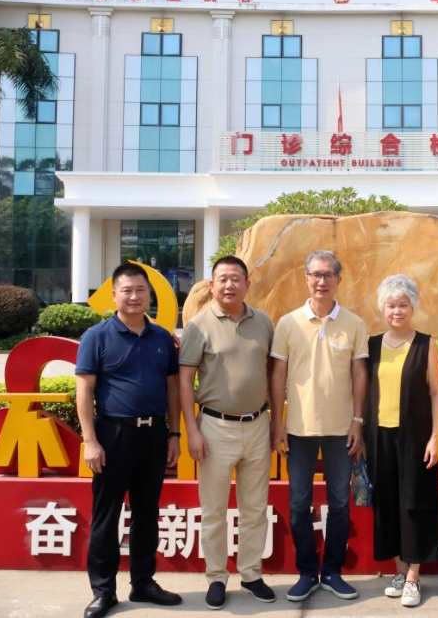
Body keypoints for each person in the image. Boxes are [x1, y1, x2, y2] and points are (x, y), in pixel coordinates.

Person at [74, 262, 183, 618]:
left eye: (140, 290)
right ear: (114, 295)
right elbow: (84, 390)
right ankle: (103, 591)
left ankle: (143, 583)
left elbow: (172, 388)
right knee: (107, 516)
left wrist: (174, 433)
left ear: (149, 294)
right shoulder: (96, 337)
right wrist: (90, 441)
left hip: (153, 435)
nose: (134, 296)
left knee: (147, 513)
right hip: (113, 435)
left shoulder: (162, 338)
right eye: (127, 290)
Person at [178, 255, 277, 610]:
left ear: (247, 283)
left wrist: (276, 423)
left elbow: (272, 375)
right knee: (214, 509)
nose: (229, 285)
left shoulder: (263, 322)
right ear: (211, 284)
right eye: (223, 279)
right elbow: (185, 382)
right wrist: (191, 430)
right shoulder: (198, 326)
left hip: (258, 424)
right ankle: (217, 577)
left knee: (255, 507)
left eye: (236, 278)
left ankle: (251, 574)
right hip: (215, 427)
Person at [269, 249, 368, 602]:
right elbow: (277, 374)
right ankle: (307, 571)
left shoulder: (354, 323)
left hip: (342, 429)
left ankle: (333, 571)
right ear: (306, 278)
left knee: (340, 502)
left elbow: (360, 373)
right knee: (299, 503)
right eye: (315, 274)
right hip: (298, 429)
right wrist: (277, 423)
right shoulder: (288, 323)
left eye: (328, 274)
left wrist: (358, 420)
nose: (321, 281)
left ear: (338, 279)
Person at [363, 274, 438, 608]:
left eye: (403, 305)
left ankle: (413, 575)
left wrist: (436, 437)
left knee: (414, 502)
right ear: (382, 308)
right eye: (391, 305)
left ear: (413, 308)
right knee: (387, 503)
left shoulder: (426, 344)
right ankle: (398, 569)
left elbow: (437, 392)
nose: (397, 311)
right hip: (378, 436)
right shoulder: (371, 345)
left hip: (415, 437)